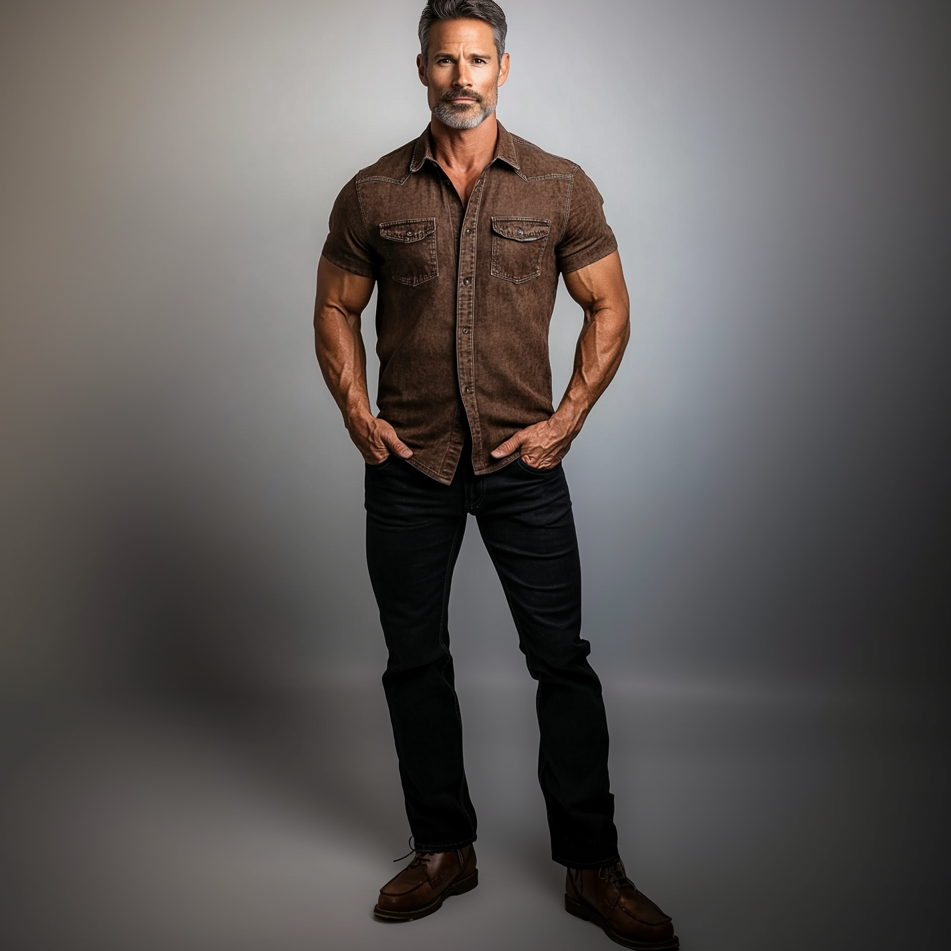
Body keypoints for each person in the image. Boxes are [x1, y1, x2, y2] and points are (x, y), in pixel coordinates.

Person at [313, 2, 678, 947]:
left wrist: (566, 420)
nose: (461, 77)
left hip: (523, 463)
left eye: (478, 60)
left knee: (561, 661)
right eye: (445, 60)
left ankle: (591, 866)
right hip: (410, 465)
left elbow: (609, 306)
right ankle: (444, 848)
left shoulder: (559, 186)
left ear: (503, 70)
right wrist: (357, 414)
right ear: (421, 69)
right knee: (414, 661)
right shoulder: (370, 193)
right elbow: (334, 305)